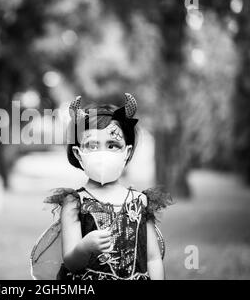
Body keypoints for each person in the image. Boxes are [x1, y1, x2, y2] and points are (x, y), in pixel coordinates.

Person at [30, 93, 172, 280]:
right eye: (93, 146)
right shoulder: (74, 202)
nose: (103, 153)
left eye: (112, 145)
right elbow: (71, 263)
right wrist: (84, 247)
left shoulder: (140, 201)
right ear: (79, 154)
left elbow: (153, 258)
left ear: (126, 152)